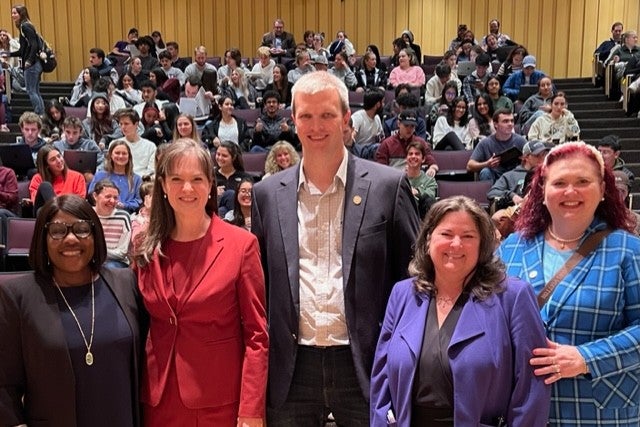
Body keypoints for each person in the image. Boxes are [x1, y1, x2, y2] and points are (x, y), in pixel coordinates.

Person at [252, 71, 420, 425]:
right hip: (292, 369)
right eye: (306, 116)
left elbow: (415, 281)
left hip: (366, 364)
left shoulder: (388, 186)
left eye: (327, 114)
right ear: (292, 121)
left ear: (346, 118)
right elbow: (262, 286)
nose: (316, 126)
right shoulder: (266, 194)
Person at [371, 196, 551, 426]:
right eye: (446, 234)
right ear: (428, 239)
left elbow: (531, 391)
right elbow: (381, 379)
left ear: (482, 245)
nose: (456, 244)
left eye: (468, 236)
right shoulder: (403, 293)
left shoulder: (513, 296)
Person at [498, 141, 640, 426]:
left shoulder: (629, 250)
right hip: (524, 411)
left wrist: (585, 357)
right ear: (542, 191)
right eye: (560, 182)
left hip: (601, 413)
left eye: (583, 181)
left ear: (602, 190)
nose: (571, 191)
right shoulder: (511, 248)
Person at [134, 138, 267, 426]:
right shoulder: (145, 247)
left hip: (219, 402)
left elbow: (257, 336)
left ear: (210, 185)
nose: (187, 188)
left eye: (196, 179)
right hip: (158, 400)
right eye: (177, 179)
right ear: (163, 186)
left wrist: (252, 408)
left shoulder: (241, 245)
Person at [0, 194, 144, 426]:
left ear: (95, 234)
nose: (70, 239)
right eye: (57, 230)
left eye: (81, 229)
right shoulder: (18, 295)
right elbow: (4, 382)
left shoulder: (126, 282)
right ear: (43, 239)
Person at [487, 140, 552, 211]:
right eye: (537, 155)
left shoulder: (549, 173)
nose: (542, 158)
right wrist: (511, 195)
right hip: (519, 211)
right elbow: (492, 192)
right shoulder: (510, 176)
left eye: (544, 155)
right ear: (526, 157)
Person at [467, 109, 527, 182]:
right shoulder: (485, 143)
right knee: (485, 172)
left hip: (514, 177)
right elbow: (469, 166)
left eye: (512, 121)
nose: (510, 124)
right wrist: (486, 164)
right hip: (494, 176)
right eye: (505, 121)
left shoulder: (520, 141)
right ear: (495, 124)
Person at [89, 140, 143, 213]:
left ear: (129, 156)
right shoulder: (100, 175)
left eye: (124, 153)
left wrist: (124, 205)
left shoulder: (136, 179)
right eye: (117, 153)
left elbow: (139, 201)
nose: (121, 156)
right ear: (111, 155)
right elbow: (92, 195)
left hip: (128, 215)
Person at [377, 109, 438, 173]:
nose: (409, 129)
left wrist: (432, 169)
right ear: (398, 124)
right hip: (394, 179)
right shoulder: (387, 144)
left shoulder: (420, 142)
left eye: (412, 126)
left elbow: (432, 163)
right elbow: (381, 170)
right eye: (406, 125)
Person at [29, 146, 86, 213]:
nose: (59, 161)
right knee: (45, 186)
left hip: (70, 213)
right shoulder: (37, 178)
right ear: (46, 165)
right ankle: (57, 212)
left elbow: (79, 202)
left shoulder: (78, 177)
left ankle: (58, 213)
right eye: (53, 159)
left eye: (59, 156)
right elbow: (35, 201)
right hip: (46, 214)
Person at [9, 5, 44, 114]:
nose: (13, 15)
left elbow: (34, 45)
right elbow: (21, 51)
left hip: (32, 65)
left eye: (15, 13)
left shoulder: (25, 26)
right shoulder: (26, 26)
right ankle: (41, 113)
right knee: (36, 91)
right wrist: (8, 54)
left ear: (21, 14)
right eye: (12, 13)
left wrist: (29, 61)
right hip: (35, 63)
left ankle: (39, 114)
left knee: (31, 91)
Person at [92, 179, 131, 268]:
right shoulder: (88, 215)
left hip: (116, 262)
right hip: (92, 260)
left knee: (107, 269)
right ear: (95, 196)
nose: (112, 201)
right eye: (108, 196)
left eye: (115, 198)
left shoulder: (123, 217)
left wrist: (98, 251)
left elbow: (122, 252)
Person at [115, 108, 157, 177]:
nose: (123, 127)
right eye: (121, 124)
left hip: (143, 182)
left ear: (136, 124)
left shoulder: (150, 146)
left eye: (126, 124)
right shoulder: (115, 144)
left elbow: (151, 171)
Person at [405, 140, 437, 218]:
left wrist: (418, 192)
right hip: (404, 214)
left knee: (430, 201)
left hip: (422, 215)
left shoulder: (430, 180)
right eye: (410, 154)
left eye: (417, 154)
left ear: (423, 159)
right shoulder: (398, 179)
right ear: (406, 158)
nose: (413, 156)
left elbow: (431, 194)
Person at [350, 88, 385, 159]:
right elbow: (351, 137)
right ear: (378, 104)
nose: (384, 105)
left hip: (372, 150)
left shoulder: (377, 118)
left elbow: (382, 138)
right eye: (383, 102)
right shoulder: (358, 117)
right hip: (358, 151)